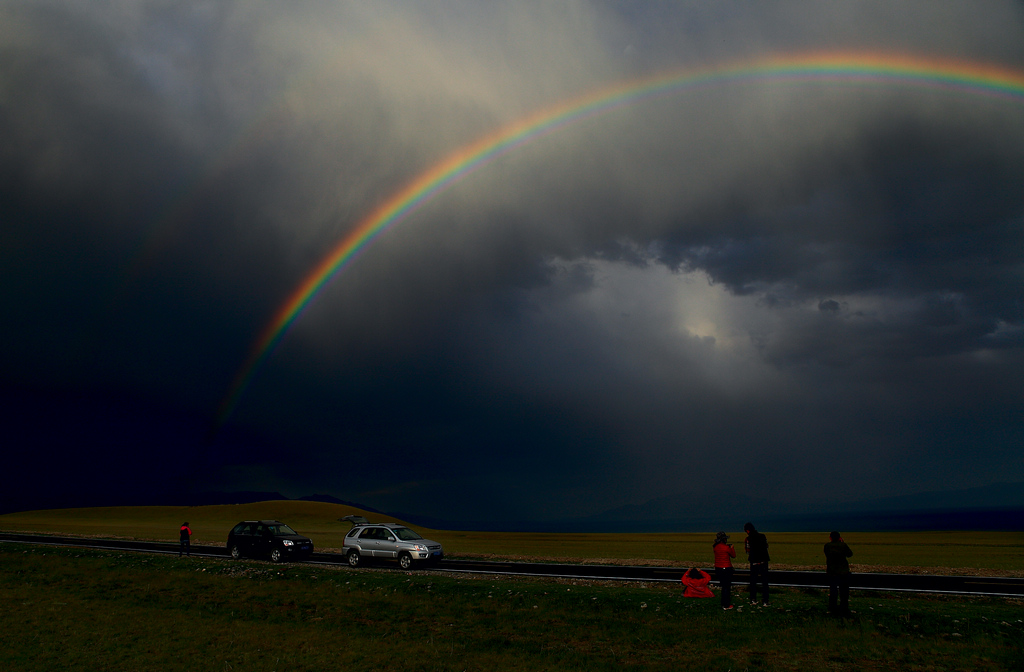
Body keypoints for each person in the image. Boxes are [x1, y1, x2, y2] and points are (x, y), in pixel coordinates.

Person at [824, 531, 853, 615]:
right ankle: (844, 607)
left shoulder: (827, 546)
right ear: (839, 538)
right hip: (843, 572)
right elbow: (850, 554)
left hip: (832, 572)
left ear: (830, 538)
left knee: (833, 590)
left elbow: (827, 554)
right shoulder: (843, 546)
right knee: (844, 591)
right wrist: (842, 543)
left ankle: (832, 607)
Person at [744, 522, 770, 605]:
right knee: (765, 582)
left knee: (753, 582)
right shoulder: (763, 536)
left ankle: (753, 599)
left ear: (747, 531)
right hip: (763, 561)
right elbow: (766, 546)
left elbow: (748, 550)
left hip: (754, 562)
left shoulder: (748, 539)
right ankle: (765, 601)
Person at [713, 531, 736, 610]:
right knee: (727, 587)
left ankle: (723, 603)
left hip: (718, 568)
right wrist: (732, 548)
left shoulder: (715, 547)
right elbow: (733, 555)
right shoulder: (726, 548)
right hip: (726, 568)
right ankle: (726, 604)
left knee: (723, 586)